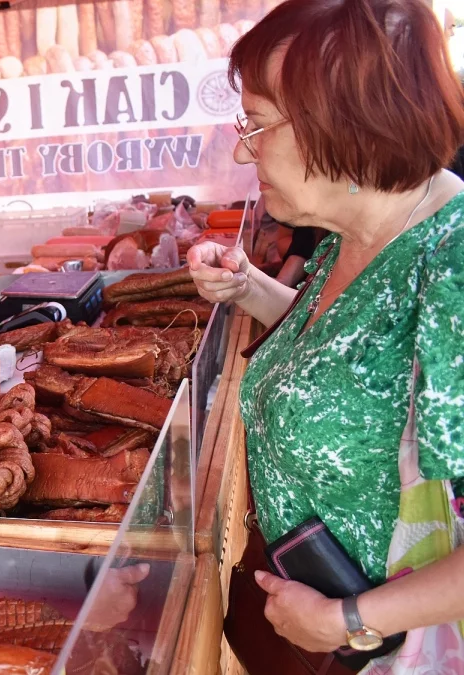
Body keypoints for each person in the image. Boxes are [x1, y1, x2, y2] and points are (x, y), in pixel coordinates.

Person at [189, 0, 464, 669]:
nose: (242, 148)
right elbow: (347, 354)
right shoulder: (362, 229)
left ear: (345, 124)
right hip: (297, 621)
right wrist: (249, 287)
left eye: (257, 124)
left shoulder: (451, 267)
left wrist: (353, 620)